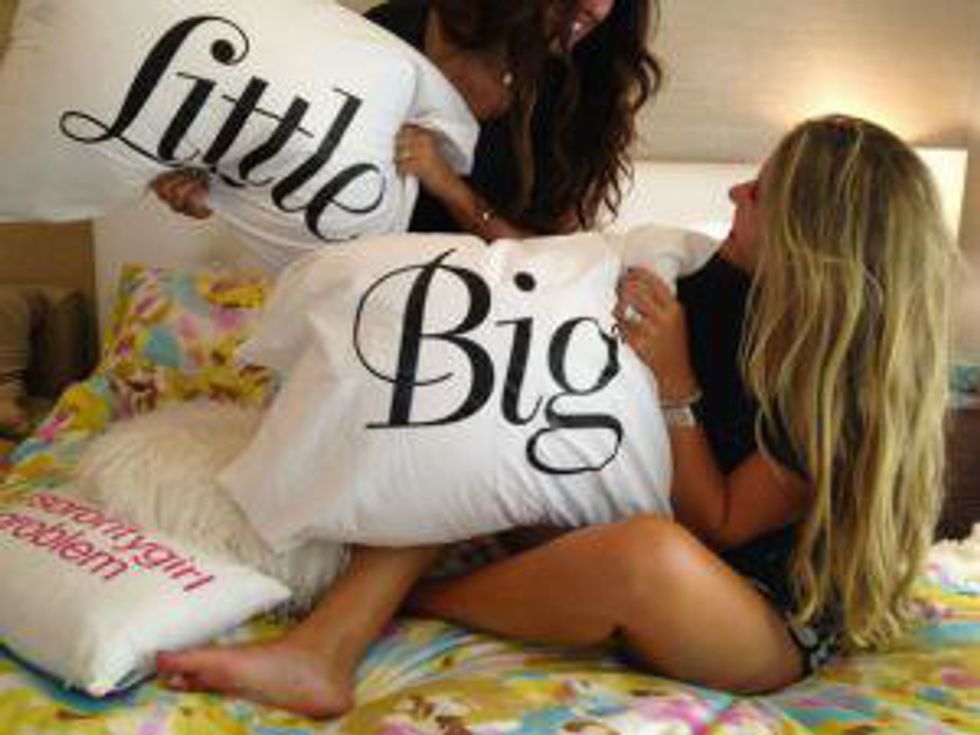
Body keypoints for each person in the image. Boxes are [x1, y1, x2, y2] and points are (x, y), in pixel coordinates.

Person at [156, 115, 952, 716]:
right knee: (475, 424)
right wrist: (451, 195)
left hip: (753, 616)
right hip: (617, 528)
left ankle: (410, 600)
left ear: (813, 238)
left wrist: (673, 382)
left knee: (648, 554)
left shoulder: (841, 384)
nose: (733, 194)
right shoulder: (713, 278)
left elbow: (714, 525)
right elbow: (545, 271)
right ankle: (322, 650)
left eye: (760, 191)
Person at [153, 0, 663, 242]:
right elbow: (292, 149)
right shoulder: (388, 33)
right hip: (361, 305)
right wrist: (214, 190)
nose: (594, 7)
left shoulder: (586, 97)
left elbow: (559, 263)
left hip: (491, 329)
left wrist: (451, 188)